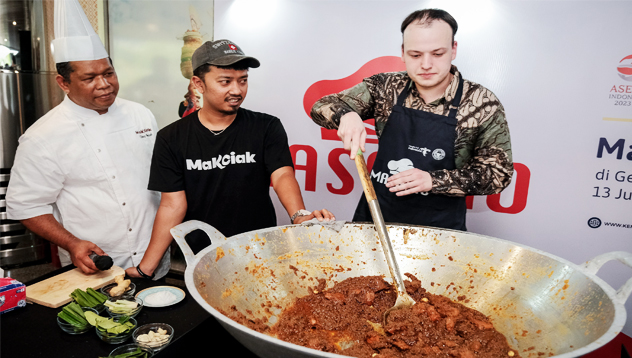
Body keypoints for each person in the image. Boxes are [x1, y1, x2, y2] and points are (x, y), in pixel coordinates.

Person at [126, 39, 334, 279]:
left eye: (243, 80)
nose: (237, 90)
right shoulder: (171, 138)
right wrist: (146, 268)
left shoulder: (266, 126)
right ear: (198, 83)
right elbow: (172, 205)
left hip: (259, 250)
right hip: (201, 258)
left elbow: (282, 175)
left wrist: (299, 215)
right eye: (225, 81)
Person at [6, 0, 170, 277]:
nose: (104, 84)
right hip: (96, 263)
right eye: (90, 78)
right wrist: (71, 243)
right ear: (64, 83)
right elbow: (26, 205)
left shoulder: (140, 114)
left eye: (108, 73)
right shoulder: (42, 137)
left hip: (152, 255)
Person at [310, 9, 513, 231]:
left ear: (453, 50)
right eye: (416, 55)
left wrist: (433, 181)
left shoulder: (481, 102)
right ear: (403, 52)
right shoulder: (385, 87)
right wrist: (346, 114)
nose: (426, 65)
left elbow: (498, 175)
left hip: (439, 230)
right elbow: (320, 106)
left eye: (437, 54)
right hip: (375, 221)